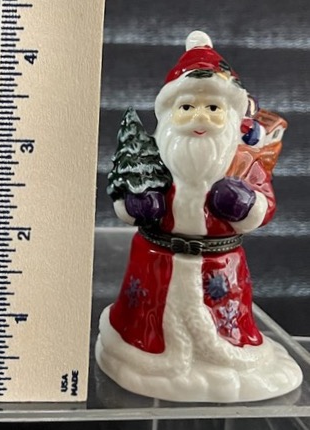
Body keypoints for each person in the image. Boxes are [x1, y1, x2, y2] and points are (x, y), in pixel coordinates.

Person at [97, 31, 301, 403]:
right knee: (150, 320)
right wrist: (136, 205)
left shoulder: (243, 163)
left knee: (224, 322)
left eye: (213, 108)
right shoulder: (158, 159)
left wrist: (244, 204)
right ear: (169, 114)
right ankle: (145, 354)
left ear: (232, 115)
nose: (199, 118)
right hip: (157, 260)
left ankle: (225, 357)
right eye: (187, 107)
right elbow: (128, 191)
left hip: (219, 265)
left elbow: (265, 204)